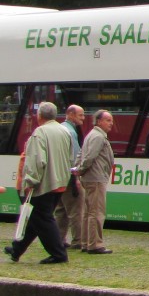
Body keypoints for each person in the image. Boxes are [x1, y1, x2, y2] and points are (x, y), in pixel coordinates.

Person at [4, 102, 71, 264]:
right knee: (36, 218)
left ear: (39, 116)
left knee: (43, 218)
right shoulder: (65, 131)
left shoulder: (39, 133)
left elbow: (36, 161)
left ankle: (59, 254)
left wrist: (30, 182)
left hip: (44, 183)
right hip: (60, 181)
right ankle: (17, 249)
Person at [76, 110, 116, 254]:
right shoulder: (98, 136)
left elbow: (81, 154)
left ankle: (86, 242)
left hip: (90, 177)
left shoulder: (91, 135)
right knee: (97, 212)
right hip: (96, 177)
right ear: (99, 121)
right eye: (108, 120)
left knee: (88, 212)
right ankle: (95, 244)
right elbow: (89, 157)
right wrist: (80, 168)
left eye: (111, 120)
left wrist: (78, 169)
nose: (111, 123)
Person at [54, 104, 86, 249]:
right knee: (76, 210)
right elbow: (75, 156)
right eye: (81, 115)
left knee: (61, 209)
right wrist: (76, 178)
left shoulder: (59, 129)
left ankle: (59, 239)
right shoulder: (71, 132)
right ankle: (78, 240)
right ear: (71, 114)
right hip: (69, 176)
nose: (83, 119)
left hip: (58, 177)